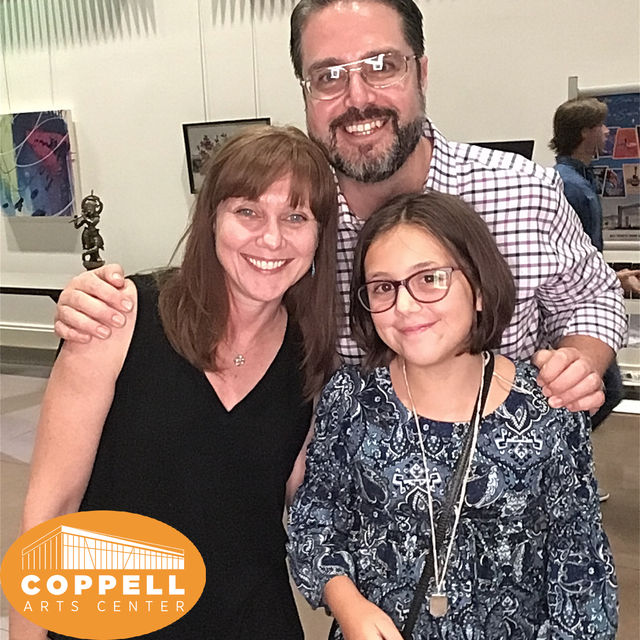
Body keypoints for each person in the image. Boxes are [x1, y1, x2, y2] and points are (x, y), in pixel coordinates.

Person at [53, 0, 626, 415]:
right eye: (328, 76)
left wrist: (578, 362)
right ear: (305, 92)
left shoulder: (523, 190)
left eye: (382, 66)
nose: (358, 99)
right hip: (352, 508)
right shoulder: (296, 216)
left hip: (504, 487)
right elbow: (224, 288)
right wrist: (103, 302)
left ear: (422, 73)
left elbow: (592, 297)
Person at [11, 126, 339, 640]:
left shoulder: (311, 355)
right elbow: (49, 512)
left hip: (250, 618)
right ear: (211, 219)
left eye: (295, 217)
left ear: (319, 236)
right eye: (247, 211)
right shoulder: (120, 317)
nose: (272, 239)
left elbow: (303, 505)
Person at [287, 191, 618, 640]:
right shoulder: (352, 400)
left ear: (478, 288)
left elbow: (581, 571)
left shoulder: (548, 405)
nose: (405, 306)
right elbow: (316, 520)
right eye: (384, 287)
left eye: (430, 279)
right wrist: (350, 607)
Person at [550, 98, 640, 431]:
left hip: (582, 301)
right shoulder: (569, 187)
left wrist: (613, 277)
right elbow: (565, 265)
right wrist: (612, 281)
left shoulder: (579, 180)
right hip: (573, 310)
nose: (607, 132)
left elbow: (581, 259)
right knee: (606, 390)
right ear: (585, 132)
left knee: (602, 392)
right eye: (600, 126)